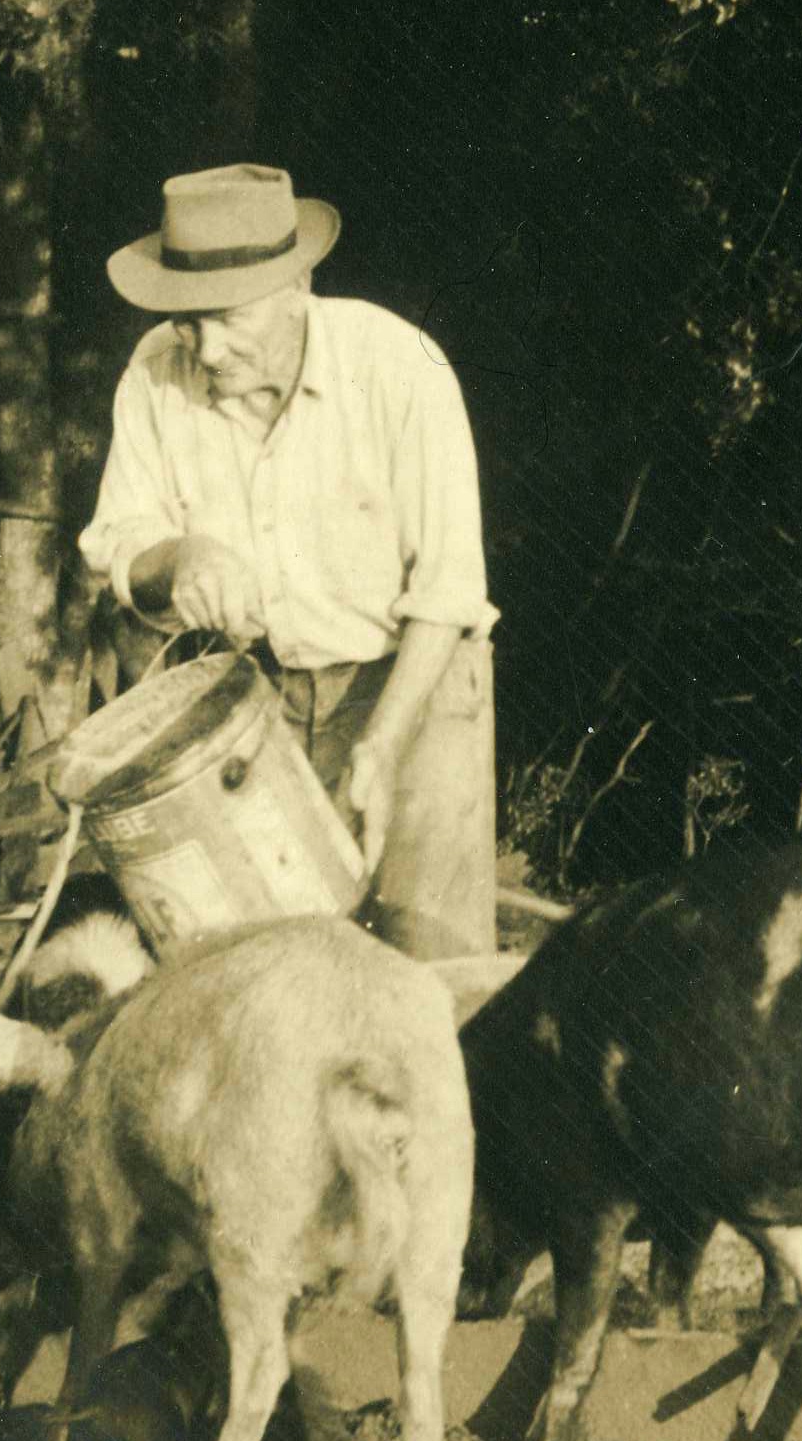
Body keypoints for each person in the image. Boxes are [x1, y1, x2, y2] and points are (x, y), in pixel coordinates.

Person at [79, 163, 498, 962]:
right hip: (255, 697)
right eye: (185, 322)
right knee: (269, 965)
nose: (205, 347)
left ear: (299, 283)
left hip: (414, 680)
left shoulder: (400, 369)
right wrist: (182, 556)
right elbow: (120, 547)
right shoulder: (154, 371)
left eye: (227, 319)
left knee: (425, 962)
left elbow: (448, 590)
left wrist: (380, 746)